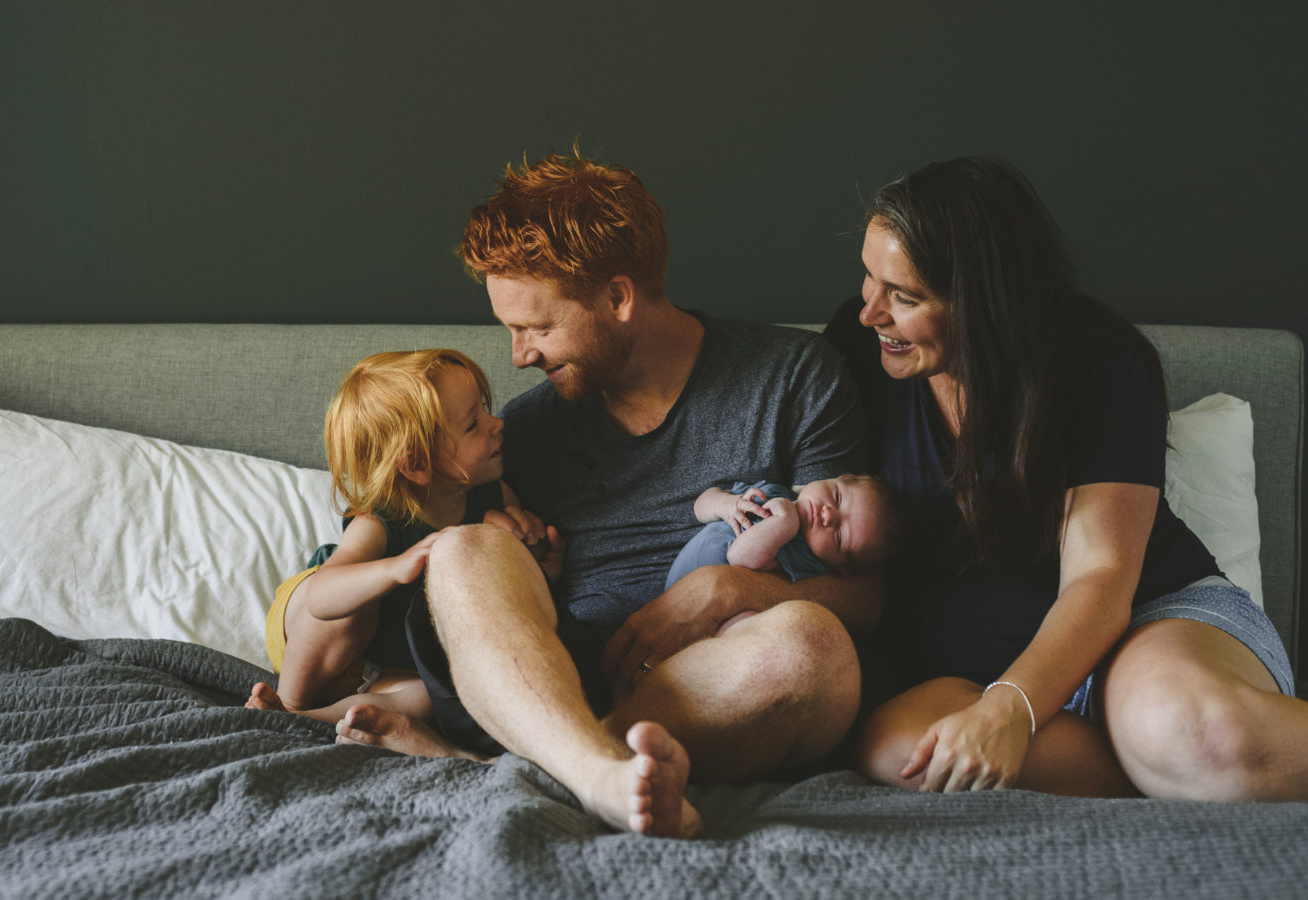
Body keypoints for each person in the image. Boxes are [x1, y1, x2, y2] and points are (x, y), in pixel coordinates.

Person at [332, 149, 878, 837]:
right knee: (466, 550)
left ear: (617, 298)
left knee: (815, 646)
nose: (519, 355)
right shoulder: (517, 431)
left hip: (723, 680)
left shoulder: (794, 379)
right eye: (510, 329)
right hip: (546, 682)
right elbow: (405, 522)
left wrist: (728, 590)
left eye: (537, 326)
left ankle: (535, 771)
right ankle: (598, 777)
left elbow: (868, 595)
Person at [823, 156, 1308, 800]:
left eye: (905, 297)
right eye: (868, 277)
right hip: (967, 673)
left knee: (1189, 732)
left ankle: (1174, 750)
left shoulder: (1097, 363)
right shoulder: (859, 352)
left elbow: (1101, 576)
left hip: (1143, 623)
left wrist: (1009, 711)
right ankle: (1164, 769)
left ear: (986, 301)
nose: (869, 313)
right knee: (900, 748)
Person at [245, 349, 559, 761]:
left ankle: (318, 719)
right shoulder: (380, 523)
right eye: (473, 424)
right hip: (310, 631)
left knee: (433, 700)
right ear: (416, 464)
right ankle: (290, 702)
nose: (497, 423)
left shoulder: (492, 494)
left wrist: (533, 552)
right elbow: (323, 598)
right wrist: (395, 568)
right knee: (354, 610)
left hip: (390, 664)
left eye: (485, 409)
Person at [663, 475, 900, 590]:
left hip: (698, 602)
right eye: (837, 497)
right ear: (838, 477)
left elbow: (739, 556)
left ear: (840, 567)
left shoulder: (805, 560)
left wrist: (785, 521)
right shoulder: (776, 491)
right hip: (676, 587)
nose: (827, 516)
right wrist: (726, 504)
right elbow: (700, 505)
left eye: (838, 536)